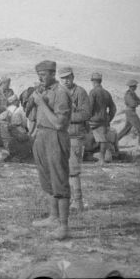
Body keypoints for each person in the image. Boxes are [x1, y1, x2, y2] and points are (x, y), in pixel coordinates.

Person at [27, 60, 72, 241]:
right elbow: (31, 113)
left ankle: (64, 226)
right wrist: (34, 99)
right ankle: (53, 217)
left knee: (59, 179)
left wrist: (42, 104)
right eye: (39, 75)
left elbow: (60, 123)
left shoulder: (61, 93)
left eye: (43, 75)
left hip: (55, 137)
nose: (40, 78)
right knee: (47, 178)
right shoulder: (43, 91)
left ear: (53, 74)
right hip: (42, 136)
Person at [59, 67, 91, 212]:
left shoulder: (80, 92)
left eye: (68, 77)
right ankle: (68, 200)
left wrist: (66, 117)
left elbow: (86, 114)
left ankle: (78, 202)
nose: (66, 80)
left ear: (73, 77)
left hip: (75, 136)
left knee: (73, 170)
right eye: (63, 78)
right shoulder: (59, 92)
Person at [88, 72, 117, 166]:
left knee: (101, 140)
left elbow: (89, 107)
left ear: (92, 81)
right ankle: (102, 158)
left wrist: (87, 118)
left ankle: (101, 160)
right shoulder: (106, 93)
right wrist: (109, 118)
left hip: (94, 121)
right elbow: (113, 108)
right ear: (101, 81)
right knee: (103, 139)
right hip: (104, 121)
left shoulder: (93, 92)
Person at [0, 94, 33, 161]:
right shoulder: (10, 126)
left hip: (6, 143)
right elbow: (20, 137)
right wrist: (29, 136)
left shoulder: (4, 123)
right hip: (10, 145)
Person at [117, 79, 140, 145]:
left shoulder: (133, 93)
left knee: (126, 129)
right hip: (131, 112)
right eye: (135, 85)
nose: (136, 87)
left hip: (131, 111)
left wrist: (137, 102)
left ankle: (114, 142)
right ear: (132, 86)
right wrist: (137, 102)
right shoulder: (128, 94)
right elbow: (133, 104)